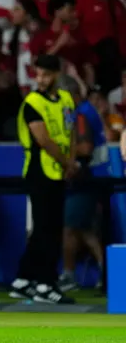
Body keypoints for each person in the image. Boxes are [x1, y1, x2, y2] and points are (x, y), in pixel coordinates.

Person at [12, 54, 77, 304]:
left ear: (57, 74)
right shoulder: (32, 103)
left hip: (60, 170)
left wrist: (70, 162)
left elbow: (69, 132)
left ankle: (24, 279)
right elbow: (43, 140)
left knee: (46, 228)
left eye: (46, 74)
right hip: (40, 171)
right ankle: (45, 283)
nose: (41, 79)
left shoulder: (66, 100)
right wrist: (66, 162)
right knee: (46, 229)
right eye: (38, 73)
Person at [58, 75, 107, 292]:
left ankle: (69, 276)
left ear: (71, 95)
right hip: (93, 178)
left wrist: (57, 149)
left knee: (69, 228)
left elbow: (85, 148)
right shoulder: (85, 111)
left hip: (84, 178)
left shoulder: (80, 115)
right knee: (85, 230)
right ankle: (107, 275)